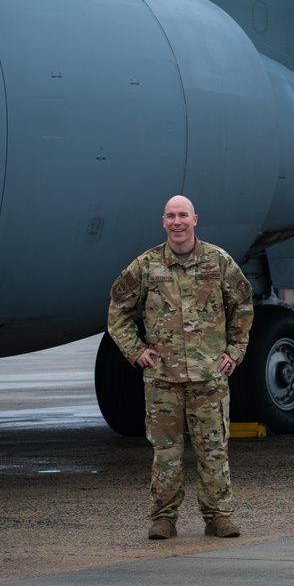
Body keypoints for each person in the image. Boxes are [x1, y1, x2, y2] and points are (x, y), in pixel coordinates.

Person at [107, 195, 254, 540]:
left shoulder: (218, 262)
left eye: (183, 215)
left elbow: (243, 307)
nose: (177, 222)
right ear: (163, 221)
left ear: (195, 220)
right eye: (171, 216)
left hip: (209, 378)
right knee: (166, 454)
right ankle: (163, 519)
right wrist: (136, 351)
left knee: (214, 450)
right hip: (163, 380)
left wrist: (235, 350)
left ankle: (218, 516)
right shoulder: (146, 266)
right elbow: (118, 310)